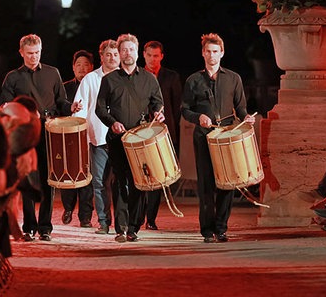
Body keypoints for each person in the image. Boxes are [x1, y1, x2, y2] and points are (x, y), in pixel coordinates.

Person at [0, 33, 81, 241]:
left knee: (49, 179)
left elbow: (61, 101)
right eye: (29, 54)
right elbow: (5, 107)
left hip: (50, 130)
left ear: (41, 51)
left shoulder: (53, 73)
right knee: (28, 179)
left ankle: (45, 227)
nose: (34, 57)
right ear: (21, 53)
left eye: (37, 53)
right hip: (25, 133)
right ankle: (29, 226)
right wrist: (25, 114)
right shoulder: (13, 77)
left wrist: (70, 107)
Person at [181, 33, 255, 243]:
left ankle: (221, 228)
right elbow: (185, 110)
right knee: (206, 184)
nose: (212, 56)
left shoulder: (233, 78)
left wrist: (246, 118)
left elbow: (240, 107)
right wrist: (198, 117)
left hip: (226, 136)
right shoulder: (193, 80)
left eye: (215, 52)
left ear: (222, 53)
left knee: (228, 182)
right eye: (208, 52)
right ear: (203, 53)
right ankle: (207, 230)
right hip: (203, 136)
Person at [96, 33, 164, 243]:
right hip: (118, 139)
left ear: (137, 52)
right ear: (119, 53)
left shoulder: (149, 79)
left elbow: (157, 103)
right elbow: (99, 108)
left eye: (131, 49)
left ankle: (134, 227)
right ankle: (121, 227)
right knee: (119, 181)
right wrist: (112, 122)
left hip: (141, 140)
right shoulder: (109, 80)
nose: (127, 53)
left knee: (139, 183)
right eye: (123, 50)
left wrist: (159, 113)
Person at [74, 39, 120, 234]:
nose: (112, 58)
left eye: (115, 54)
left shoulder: (126, 78)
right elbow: (80, 110)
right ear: (101, 57)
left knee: (121, 182)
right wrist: (81, 137)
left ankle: (123, 222)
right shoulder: (90, 79)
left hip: (122, 138)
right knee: (100, 182)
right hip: (98, 138)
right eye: (108, 54)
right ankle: (103, 222)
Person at [139, 40, 183, 231]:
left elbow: (176, 107)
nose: (152, 59)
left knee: (157, 178)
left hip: (162, 133)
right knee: (139, 176)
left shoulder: (171, 77)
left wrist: (168, 129)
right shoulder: (137, 75)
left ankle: (151, 218)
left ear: (161, 57)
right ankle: (137, 216)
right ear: (143, 55)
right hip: (139, 132)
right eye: (149, 55)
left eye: (156, 56)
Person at [59, 49, 95, 228]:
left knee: (87, 178)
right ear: (73, 68)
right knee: (69, 175)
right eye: (78, 65)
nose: (82, 68)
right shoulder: (65, 87)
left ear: (92, 67)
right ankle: (67, 208)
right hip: (69, 139)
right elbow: (59, 108)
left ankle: (86, 216)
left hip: (90, 137)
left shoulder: (97, 85)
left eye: (85, 65)